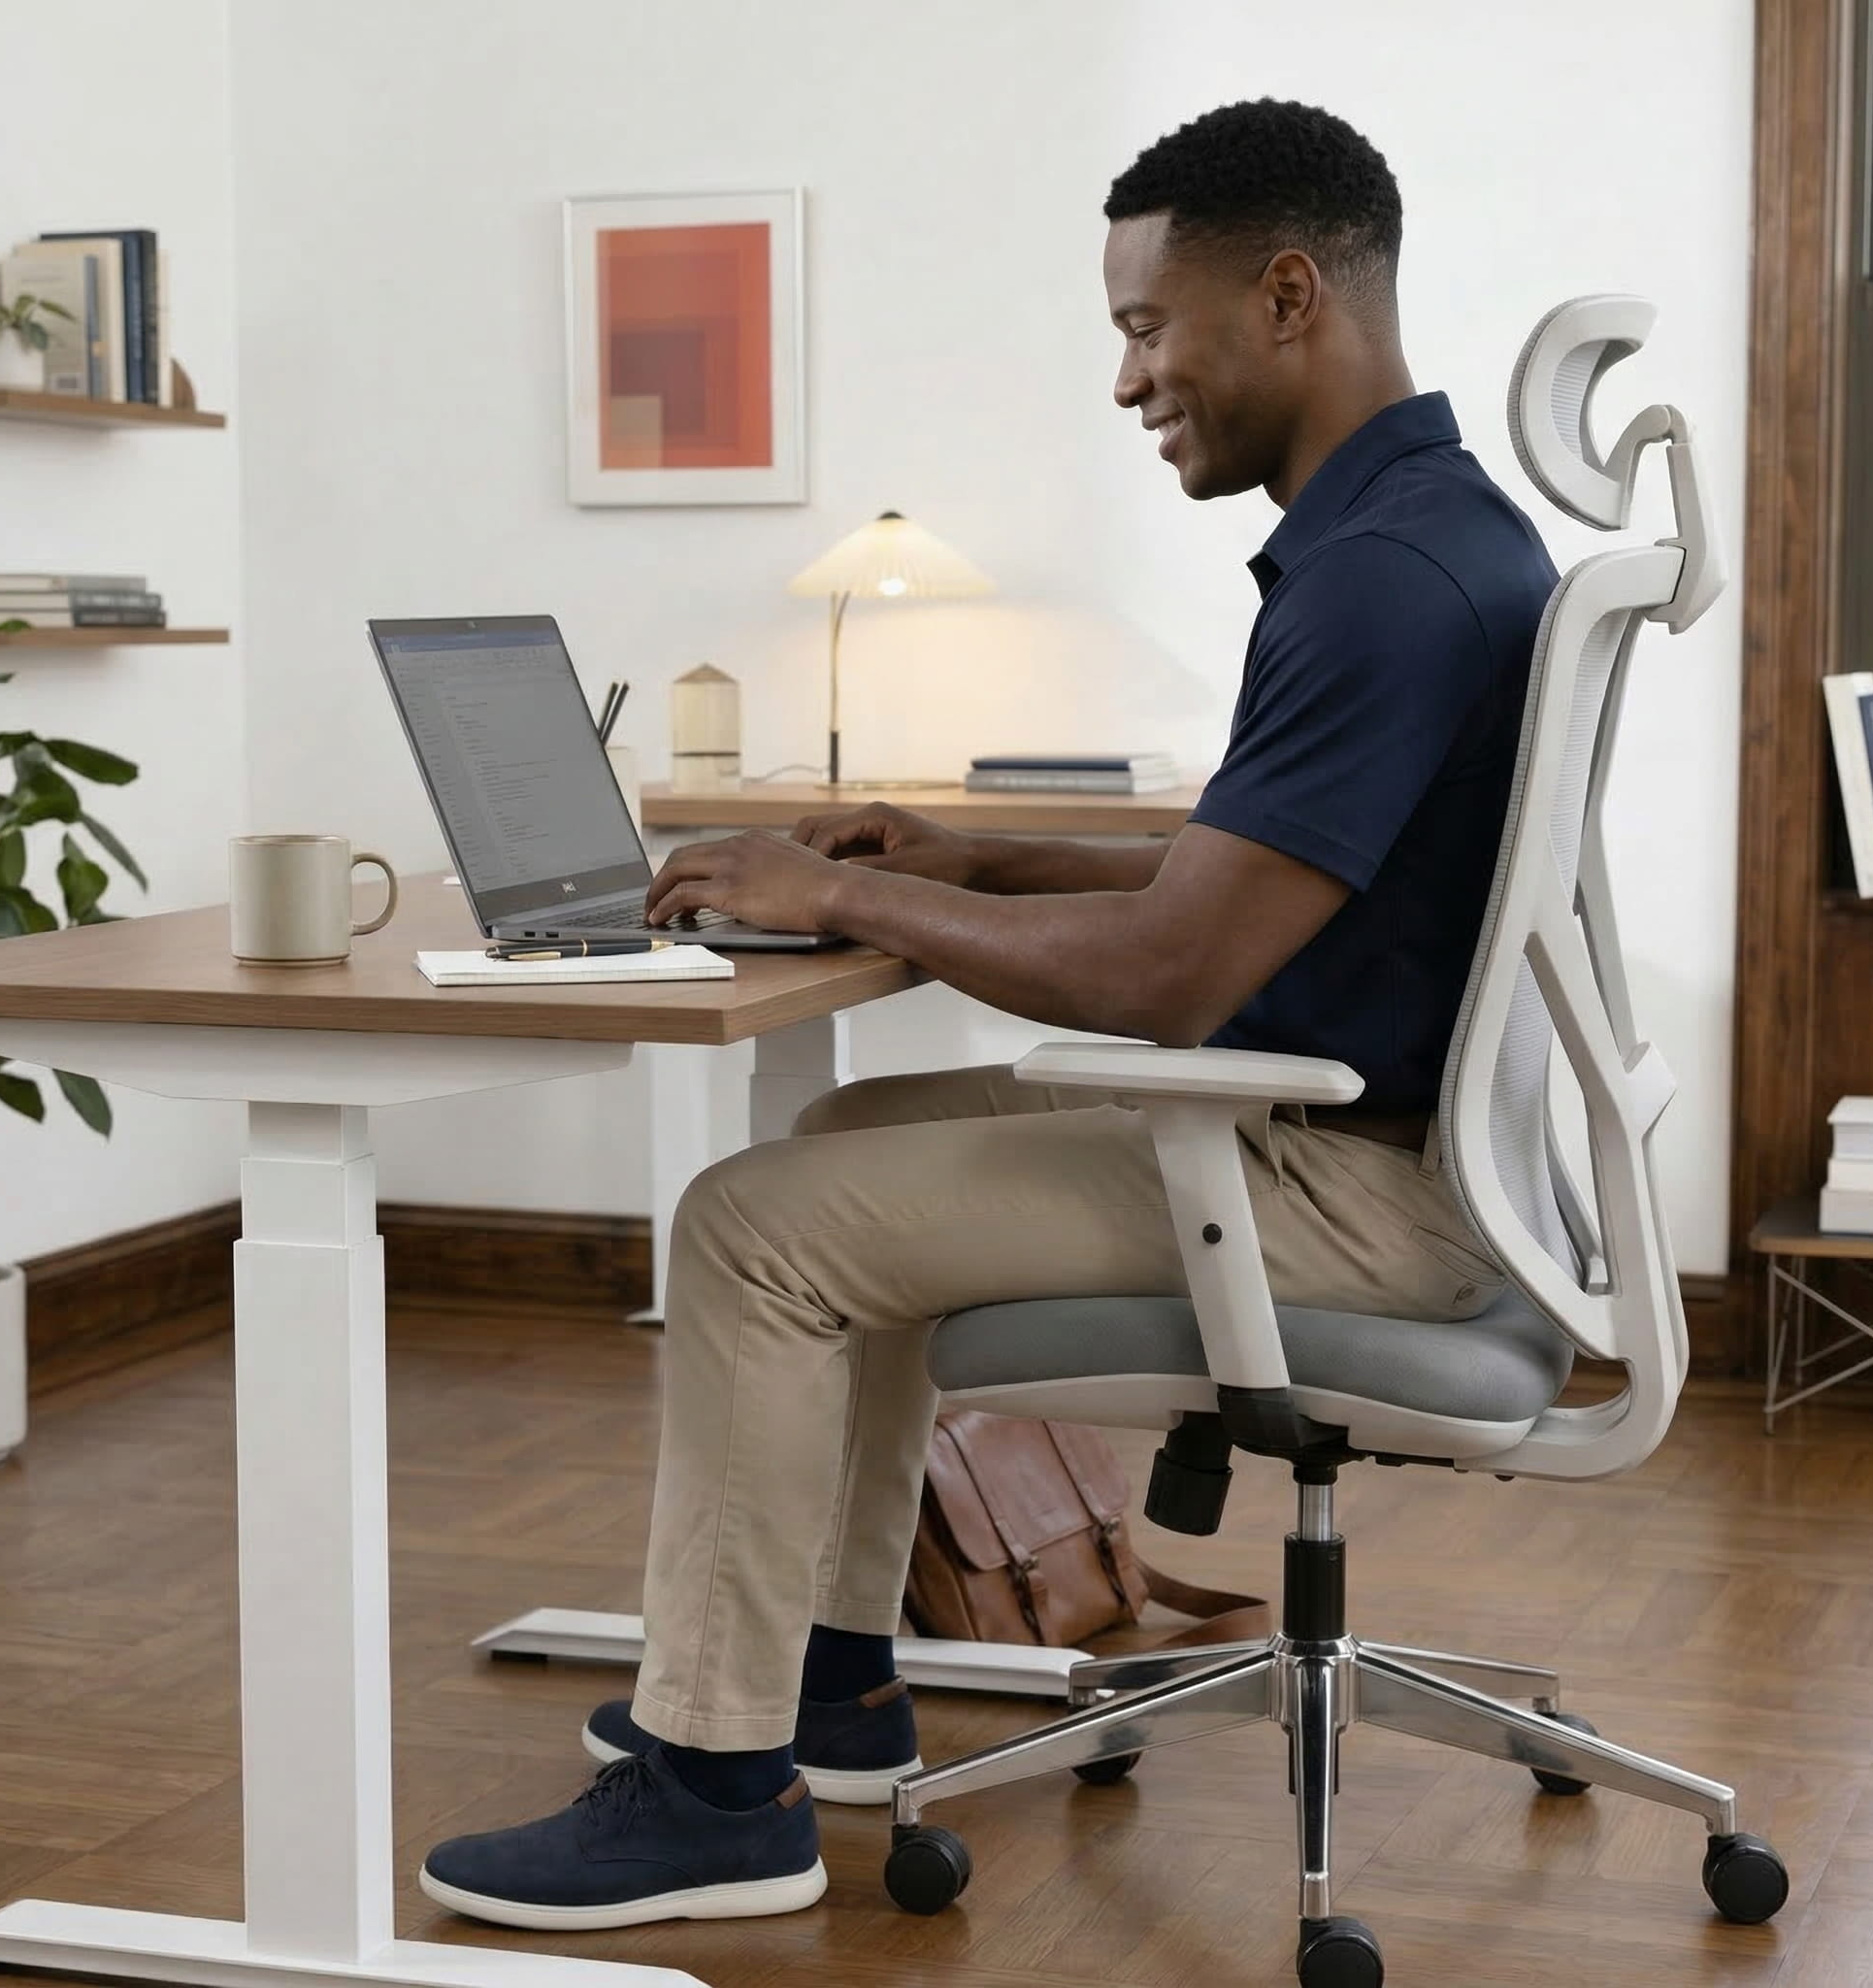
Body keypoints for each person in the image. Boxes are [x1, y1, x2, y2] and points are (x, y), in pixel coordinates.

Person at [419, 94, 1558, 1932]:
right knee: (842, 1150)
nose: (1127, 381)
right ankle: (835, 1685)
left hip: (1354, 1188)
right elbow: (1239, 886)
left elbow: (1173, 975)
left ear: (1284, 296)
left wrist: (849, 893)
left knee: (749, 1229)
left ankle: (714, 1791)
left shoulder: (1379, 582)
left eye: (1141, 326)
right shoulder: (1431, 532)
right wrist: (979, 857)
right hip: (1389, 1137)